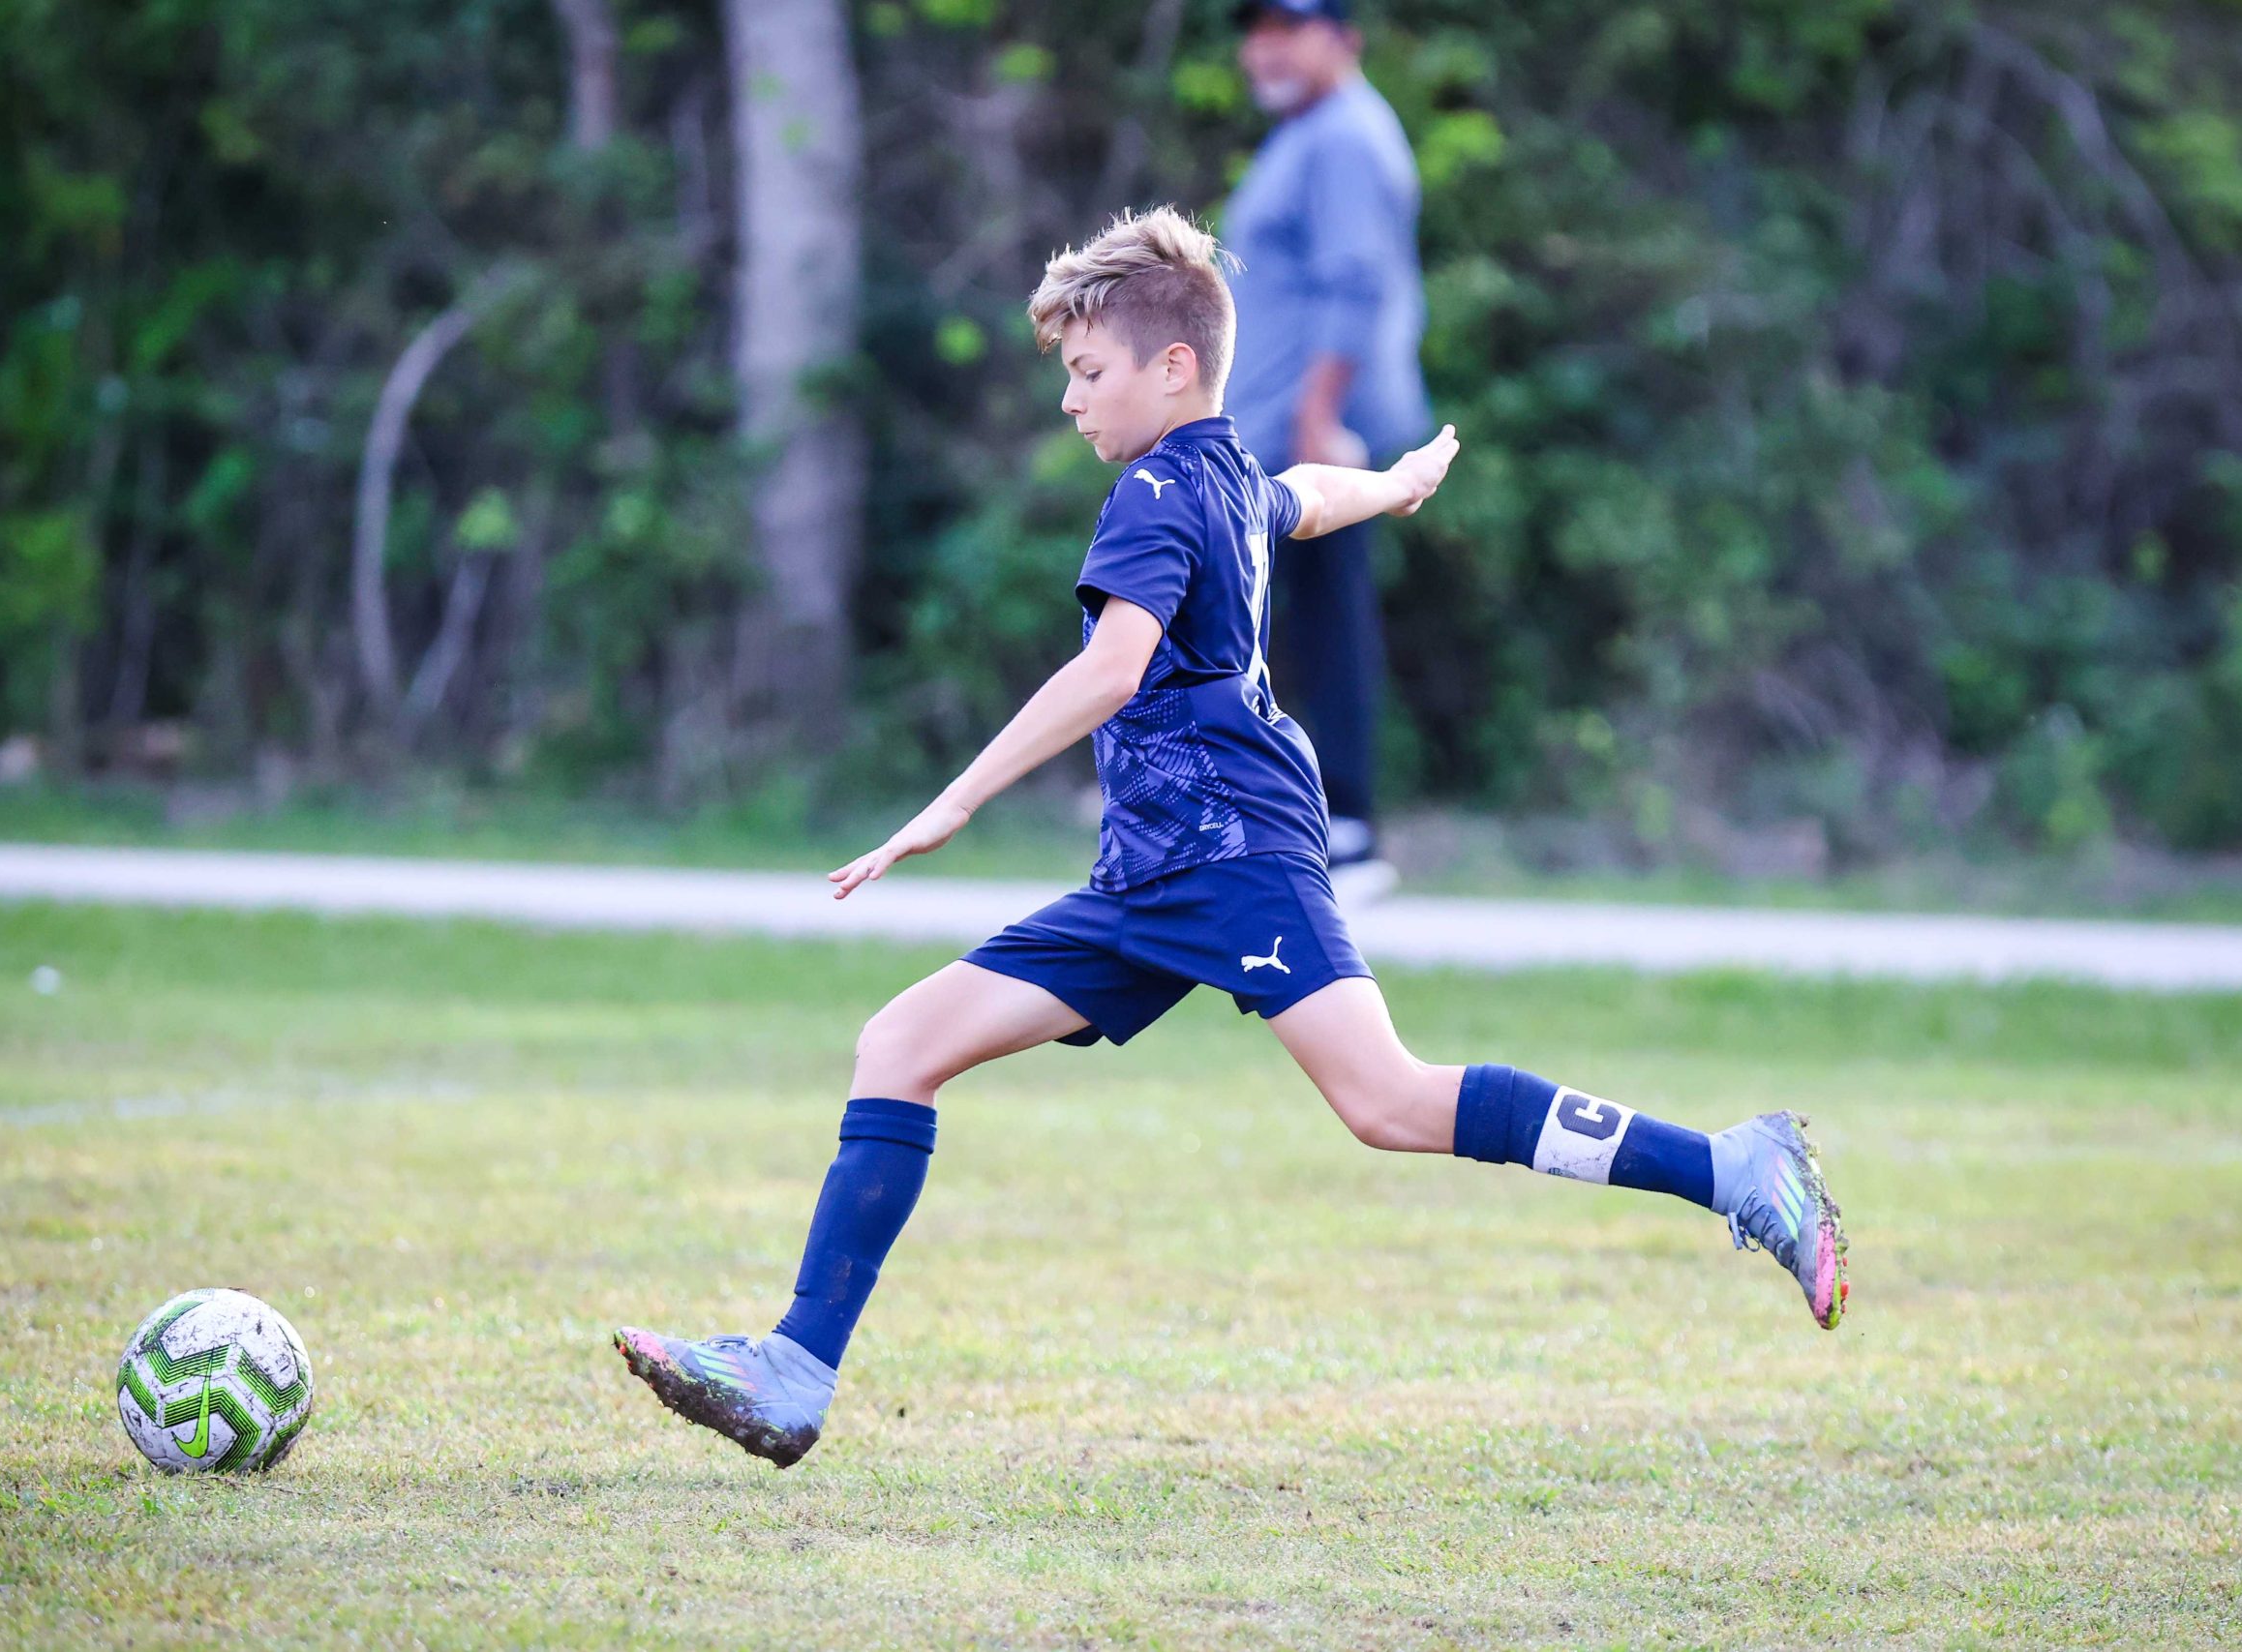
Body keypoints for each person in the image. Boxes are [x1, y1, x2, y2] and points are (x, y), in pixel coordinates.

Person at [613, 210, 1847, 1469]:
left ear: (1174, 368)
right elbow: (1304, 500)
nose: (1069, 402)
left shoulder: (1153, 491)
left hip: (1235, 856)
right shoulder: (1223, 475)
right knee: (901, 1041)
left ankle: (1735, 1166)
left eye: (1087, 373)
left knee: (1389, 1100)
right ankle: (794, 1369)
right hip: (1151, 876)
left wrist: (958, 798)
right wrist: (1400, 485)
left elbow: (1112, 668)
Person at [1223, 0, 1430, 896]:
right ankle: (1308, 823)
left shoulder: (1345, 137)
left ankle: (1346, 829)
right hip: (1281, 431)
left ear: (1344, 39)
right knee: (1282, 620)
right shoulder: (1308, 134)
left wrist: (1318, 420)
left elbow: (1356, 282)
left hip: (1318, 434)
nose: (1265, 45)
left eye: (1289, 25)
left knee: (1324, 620)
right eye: (1255, 27)